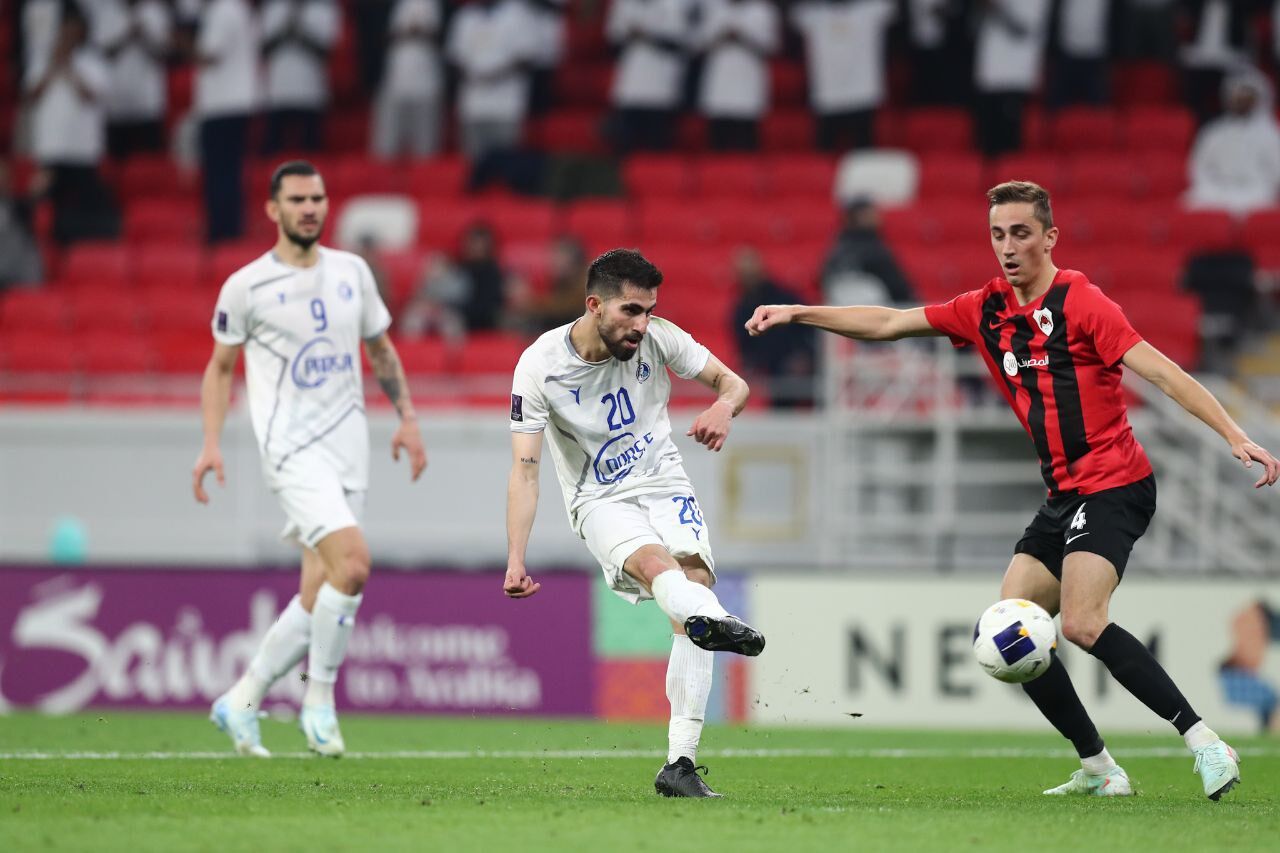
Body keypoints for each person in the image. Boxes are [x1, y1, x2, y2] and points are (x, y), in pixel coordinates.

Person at [746, 180, 1280, 801]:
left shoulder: (1083, 302)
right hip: (1063, 495)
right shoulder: (985, 309)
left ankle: (1206, 742)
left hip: (1115, 484)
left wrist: (1233, 434)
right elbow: (890, 322)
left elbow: (1162, 372)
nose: (1007, 246)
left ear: (1049, 238)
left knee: (1081, 624)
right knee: (1012, 627)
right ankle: (1100, 768)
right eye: (998, 234)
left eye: (1020, 233)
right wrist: (799, 312)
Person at [505, 248, 765, 798]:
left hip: (664, 480)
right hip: (598, 498)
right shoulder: (539, 366)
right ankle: (716, 619)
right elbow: (525, 471)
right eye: (631, 311)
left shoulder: (659, 338)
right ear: (594, 305)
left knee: (693, 582)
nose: (642, 324)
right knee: (657, 566)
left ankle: (680, 765)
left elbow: (734, 384)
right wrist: (515, 558)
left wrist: (723, 407)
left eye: (649, 311)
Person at [193, 160, 428, 757]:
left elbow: (380, 348)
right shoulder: (247, 286)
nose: (309, 208)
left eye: (317, 198)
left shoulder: (352, 272)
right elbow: (220, 368)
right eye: (297, 199)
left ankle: (240, 701)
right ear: (273, 209)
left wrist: (406, 417)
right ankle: (318, 701)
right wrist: (211, 442)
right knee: (353, 565)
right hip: (291, 452)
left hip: (348, 448)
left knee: (318, 588)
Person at [194, 0, 258, 242]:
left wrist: (181, 45)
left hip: (223, 104)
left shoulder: (222, 10)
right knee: (227, 170)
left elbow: (210, 55)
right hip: (232, 102)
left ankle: (223, 231)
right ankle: (228, 228)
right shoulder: (237, 8)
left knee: (220, 172)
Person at [1184, 67, 1280, 218]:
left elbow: (1276, 174)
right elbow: (1198, 167)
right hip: (1217, 190)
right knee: (1192, 201)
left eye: (1246, 96)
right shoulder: (1213, 132)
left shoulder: (1271, 134)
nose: (1240, 100)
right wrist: (1214, 186)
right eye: (1236, 96)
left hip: (1255, 191)